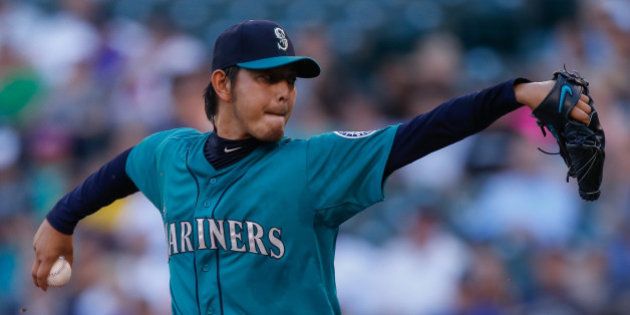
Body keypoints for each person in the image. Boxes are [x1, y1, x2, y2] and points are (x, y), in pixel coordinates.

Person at [32, 20, 594, 314]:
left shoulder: (312, 163)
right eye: (267, 78)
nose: (283, 93)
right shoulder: (168, 155)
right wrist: (59, 222)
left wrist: (517, 93)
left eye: (290, 80)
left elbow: (421, 133)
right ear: (223, 83)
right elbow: (121, 169)